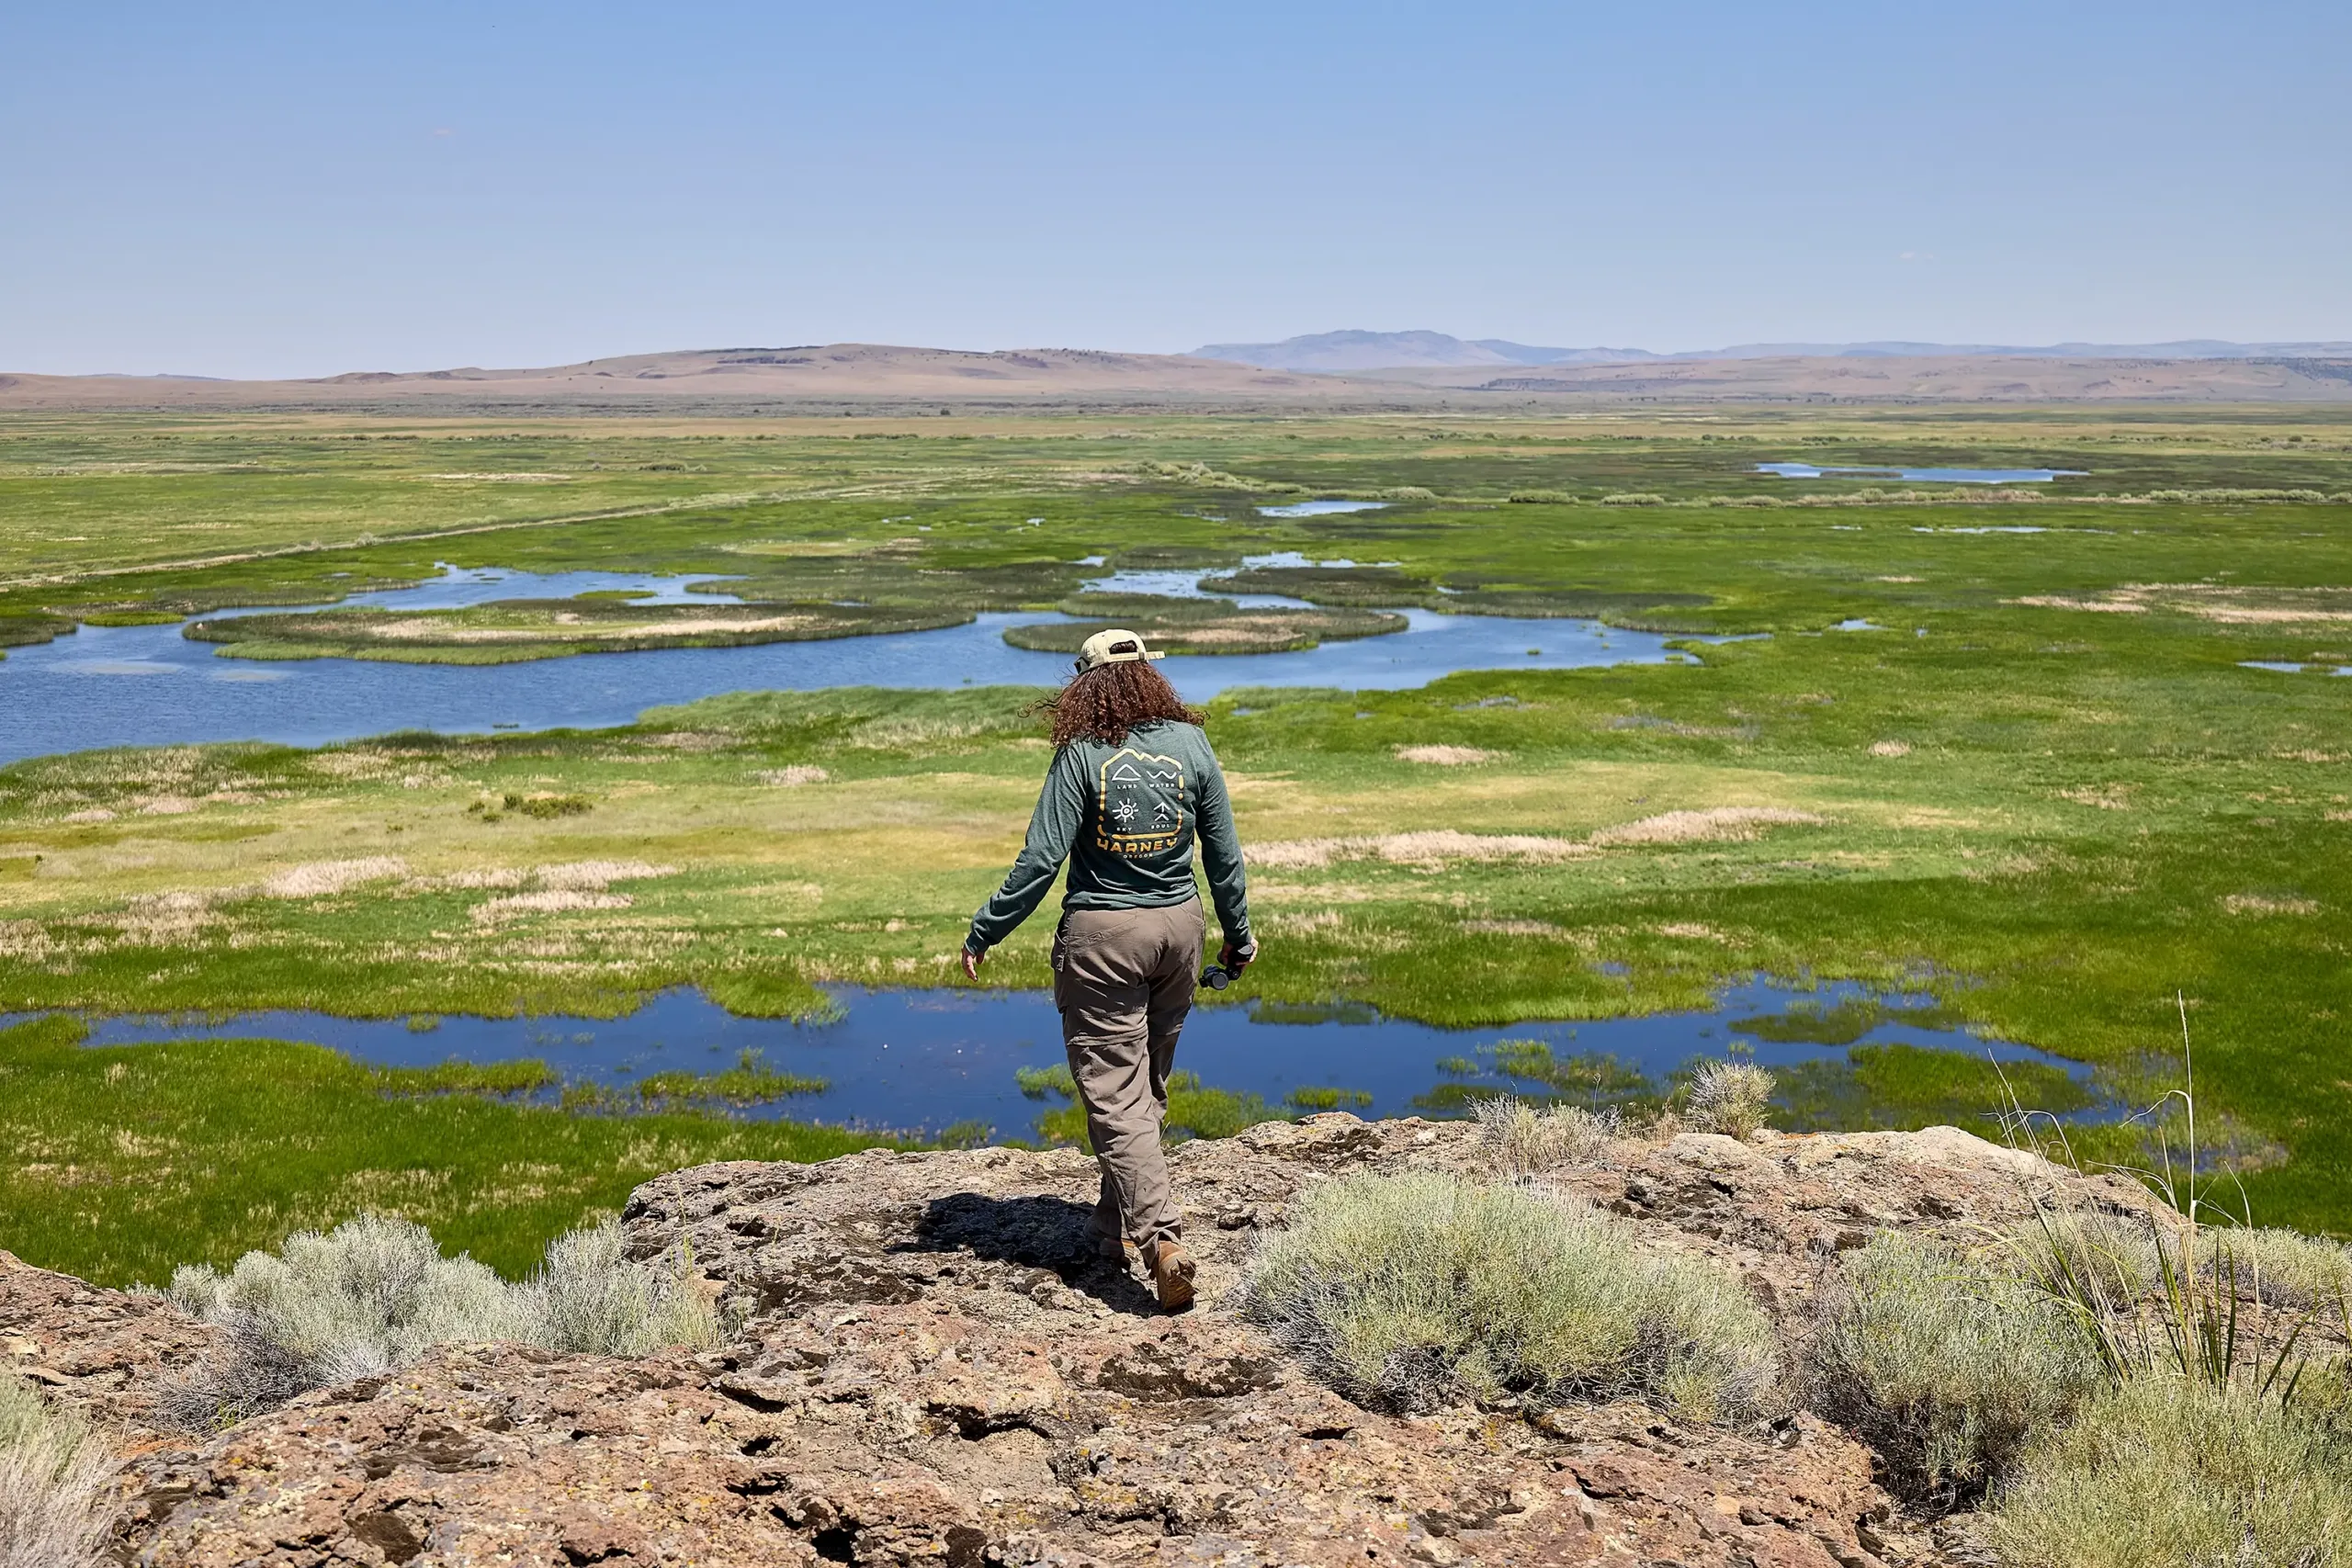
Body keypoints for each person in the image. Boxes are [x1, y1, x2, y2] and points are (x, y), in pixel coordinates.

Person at [962, 628, 1255, 1310]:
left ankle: (1163, 1242)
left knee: (1117, 1096)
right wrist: (1238, 937)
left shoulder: (1082, 753)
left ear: (1085, 685)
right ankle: (1109, 1228)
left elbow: (1040, 863)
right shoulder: (1192, 745)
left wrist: (985, 930)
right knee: (1143, 1087)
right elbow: (1225, 857)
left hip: (1102, 939)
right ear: (1151, 676)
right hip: (1179, 933)